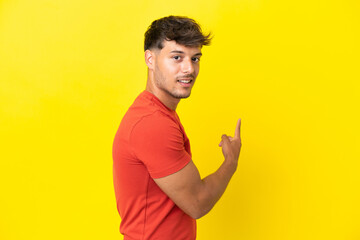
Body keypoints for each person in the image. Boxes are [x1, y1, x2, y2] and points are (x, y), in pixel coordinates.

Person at [112, 15, 242, 240]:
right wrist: (230, 162)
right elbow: (198, 202)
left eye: (195, 58)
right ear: (150, 59)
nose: (188, 69)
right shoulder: (152, 123)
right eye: (177, 57)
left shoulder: (158, 113)